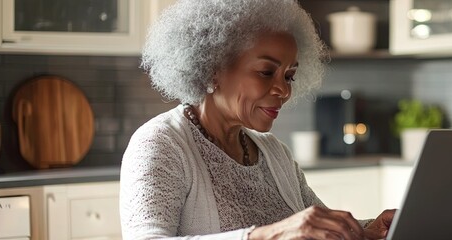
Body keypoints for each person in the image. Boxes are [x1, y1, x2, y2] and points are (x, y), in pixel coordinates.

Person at [120, 0, 395, 239]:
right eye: (266, 72)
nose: (284, 90)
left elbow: (314, 229)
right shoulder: (161, 144)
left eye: (289, 76)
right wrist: (268, 235)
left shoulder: (274, 154)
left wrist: (369, 229)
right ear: (213, 68)